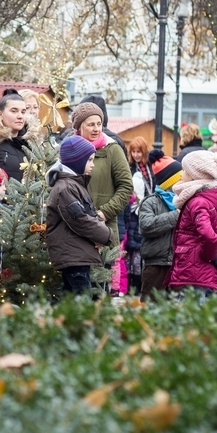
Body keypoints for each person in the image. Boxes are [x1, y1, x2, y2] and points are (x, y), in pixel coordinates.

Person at [72, 102, 132, 296]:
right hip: (73, 229)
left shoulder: (112, 150)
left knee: (98, 292)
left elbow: (126, 187)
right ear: (79, 127)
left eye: (99, 123)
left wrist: (104, 212)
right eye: (91, 124)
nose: (96, 128)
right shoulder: (69, 149)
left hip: (102, 229)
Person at [46, 136, 112, 295]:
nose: (93, 165)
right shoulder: (66, 188)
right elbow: (80, 220)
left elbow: (89, 213)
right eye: (89, 160)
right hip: (73, 256)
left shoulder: (74, 184)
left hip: (76, 253)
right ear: (77, 161)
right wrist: (106, 235)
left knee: (73, 299)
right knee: (82, 299)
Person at [166, 150, 217, 297]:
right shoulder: (201, 199)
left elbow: (208, 235)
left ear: (195, 176)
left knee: (192, 307)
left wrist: (210, 256)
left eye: (185, 171)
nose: (181, 175)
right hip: (194, 265)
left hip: (194, 266)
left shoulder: (197, 202)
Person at [137, 150, 182, 300]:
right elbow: (146, 225)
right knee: (150, 309)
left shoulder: (184, 201)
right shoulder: (150, 202)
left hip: (178, 266)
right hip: (156, 265)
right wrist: (176, 215)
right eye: (179, 179)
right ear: (170, 182)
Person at [0, 93, 41, 182]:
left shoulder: (31, 142)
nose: (20, 116)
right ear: (0, 114)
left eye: (23, 112)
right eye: (14, 111)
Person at [125, 137, 154, 293]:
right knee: (130, 251)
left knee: (138, 252)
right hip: (132, 212)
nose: (136, 155)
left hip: (144, 211)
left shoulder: (148, 168)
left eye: (138, 152)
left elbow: (152, 188)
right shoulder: (129, 167)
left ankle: (137, 284)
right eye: (133, 152)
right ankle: (130, 284)